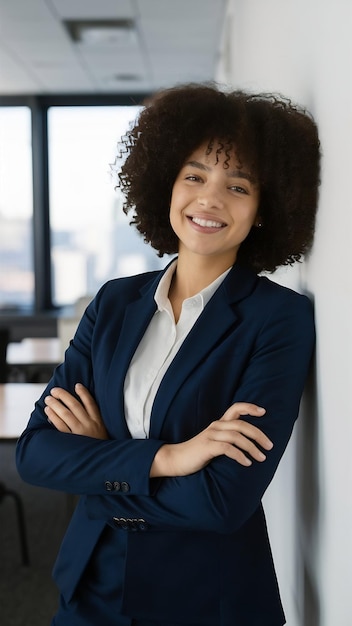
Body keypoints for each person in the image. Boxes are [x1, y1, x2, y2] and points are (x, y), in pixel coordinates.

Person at [16, 83, 321, 626]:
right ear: (167, 184)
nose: (210, 199)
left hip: (203, 597)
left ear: (265, 209)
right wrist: (171, 458)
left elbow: (222, 502)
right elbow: (36, 453)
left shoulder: (279, 319)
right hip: (90, 586)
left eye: (238, 186)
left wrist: (99, 461)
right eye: (195, 175)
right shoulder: (113, 302)